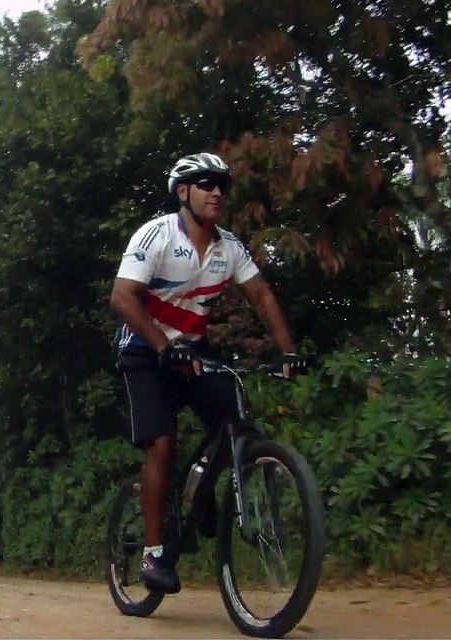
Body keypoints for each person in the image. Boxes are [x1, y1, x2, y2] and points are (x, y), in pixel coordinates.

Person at [109, 152, 301, 595]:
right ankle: (153, 553)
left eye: (222, 185)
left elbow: (262, 296)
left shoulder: (229, 247)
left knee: (233, 409)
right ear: (183, 192)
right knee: (162, 442)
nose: (217, 191)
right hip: (144, 350)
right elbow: (122, 297)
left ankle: (201, 490)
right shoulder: (156, 235)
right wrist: (163, 347)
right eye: (206, 183)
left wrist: (289, 352)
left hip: (192, 351)